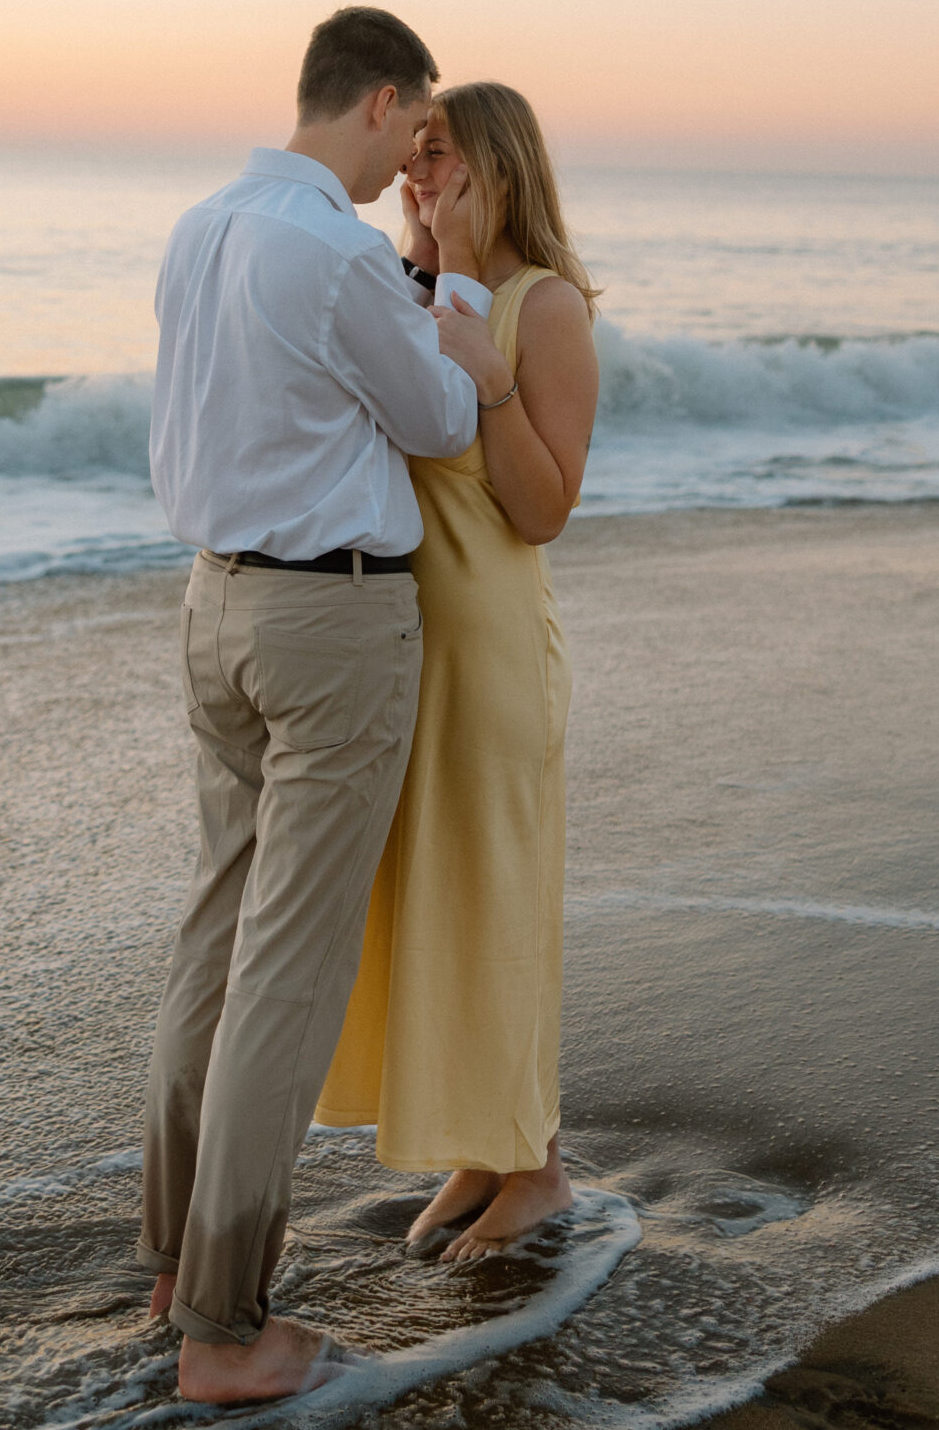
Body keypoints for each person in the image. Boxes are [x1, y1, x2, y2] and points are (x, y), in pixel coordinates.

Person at [137, 6, 496, 1402]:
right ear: (384, 98)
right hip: (327, 618)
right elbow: (442, 421)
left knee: (213, 942)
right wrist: (453, 276)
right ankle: (225, 1331)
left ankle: (174, 1268)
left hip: (210, 604)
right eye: (414, 133)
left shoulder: (198, 227)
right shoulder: (336, 250)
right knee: (287, 966)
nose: (414, 157)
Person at [316, 82, 599, 1260]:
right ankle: (484, 1149)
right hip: (409, 649)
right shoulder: (420, 293)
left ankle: (535, 1166)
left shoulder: (545, 309)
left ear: (496, 166)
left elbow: (544, 510)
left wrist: (486, 372)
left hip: (490, 656)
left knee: (494, 900)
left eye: (440, 159)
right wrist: (427, 269)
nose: (418, 175)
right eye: (415, 157)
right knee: (435, 898)